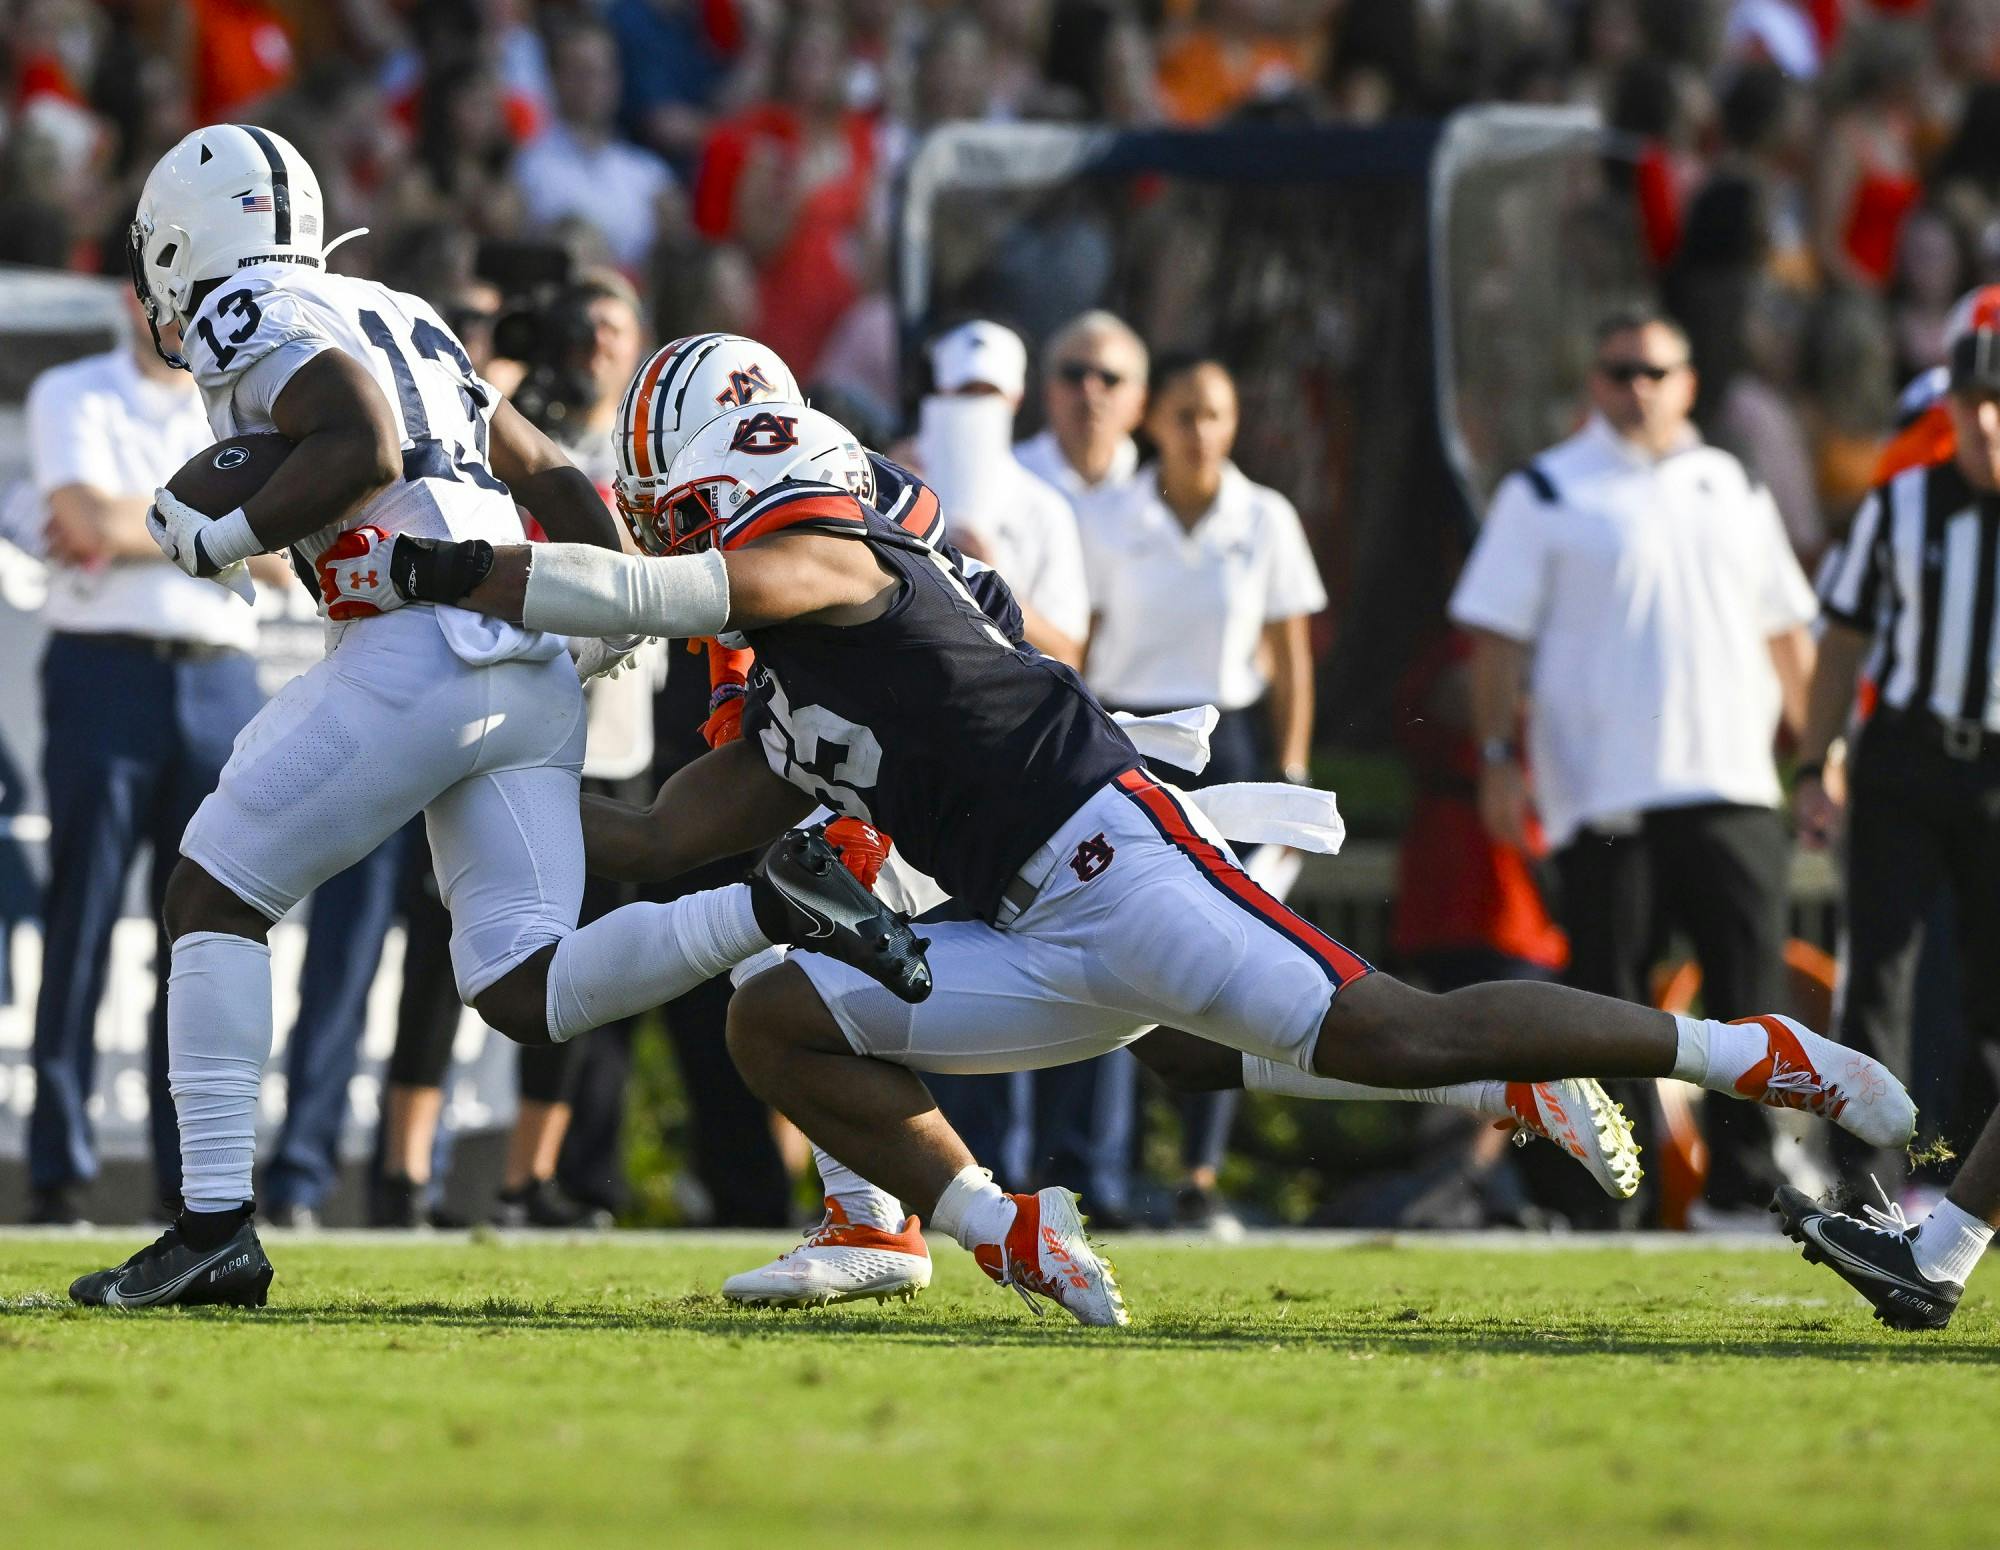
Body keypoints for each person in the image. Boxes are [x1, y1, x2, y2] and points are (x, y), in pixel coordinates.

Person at [349, 397, 1913, 1328]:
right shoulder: (782, 664)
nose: (674, 516)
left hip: (1119, 858)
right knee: (780, 1014)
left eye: (680, 493)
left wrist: (449, 562)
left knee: (1393, 1029)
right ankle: (1001, 1227)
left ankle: (1750, 1053)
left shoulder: (832, 557)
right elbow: (654, 837)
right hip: (1027, 924)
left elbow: (660, 587)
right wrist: (465, 783)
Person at [69, 125, 922, 1309]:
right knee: (520, 984)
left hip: (415, 636)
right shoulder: (403, 311)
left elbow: (359, 441)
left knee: (214, 891)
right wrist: (606, 593)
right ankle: (772, 904)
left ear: (184, 242)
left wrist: (222, 532)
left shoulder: (241, 307)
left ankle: (212, 1224)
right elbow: (551, 471)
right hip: (522, 654)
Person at [1452, 306, 1821, 1224]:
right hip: (1602, 793)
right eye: (1620, 371)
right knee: (1610, 1006)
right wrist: (1498, 758)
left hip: (1731, 779)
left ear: (1689, 382)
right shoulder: (1544, 489)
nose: (1638, 388)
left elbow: (1787, 631)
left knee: (1751, 998)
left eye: (1656, 371)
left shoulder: (1732, 484)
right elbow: (1494, 640)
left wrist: (1821, 760)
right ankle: (1614, 1198)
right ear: (1594, 382)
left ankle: (1744, 1188)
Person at [24, 290, 271, 1225]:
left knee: (202, 934)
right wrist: (223, 531)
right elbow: (84, 524)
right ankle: (57, 1172)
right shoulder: (71, 391)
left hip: (217, 682)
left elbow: (289, 540)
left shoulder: (242, 407)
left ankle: (196, 1187)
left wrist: (142, 525)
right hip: (106, 673)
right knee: (81, 917)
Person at [1079, 352, 1327, 1228]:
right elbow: (1085, 636)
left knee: (1232, 950)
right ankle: (1100, 1173)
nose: (1200, 432)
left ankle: (1200, 1175)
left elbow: (1290, 647)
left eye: (1215, 415)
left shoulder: (1265, 516)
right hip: (1127, 740)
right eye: (1184, 413)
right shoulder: (1112, 516)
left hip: (1232, 740)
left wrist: (1290, 767)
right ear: (1156, 423)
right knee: (1113, 947)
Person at [1793, 288, 2000, 1192]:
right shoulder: (1900, 502)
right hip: (1908, 756)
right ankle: (1866, 1182)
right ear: (1948, 408)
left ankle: (1976, 1184)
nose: (1989, 423)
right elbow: (1841, 640)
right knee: (1881, 973)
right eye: (1974, 403)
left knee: (1993, 986)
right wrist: (1815, 761)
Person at [914, 320, 1089, 666]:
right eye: (966, 391)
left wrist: (992, 582)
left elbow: (1068, 655)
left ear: (1016, 399)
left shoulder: (1044, 509)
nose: (977, 405)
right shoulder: (895, 485)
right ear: (940, 392)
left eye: (990, 393)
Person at [513, 18, 678, 268]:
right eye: (581, 72)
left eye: (603, 71)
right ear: (555, 79)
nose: (593, 84)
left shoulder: (649, 173)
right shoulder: (527, 167)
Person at [1015, 310, 1147, 525]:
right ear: (1047, 390)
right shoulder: (1005, 478)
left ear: (1141, 401)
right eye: (1074, 374)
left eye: (1110, 379)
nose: (1090, 391)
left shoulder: (1160, 487)